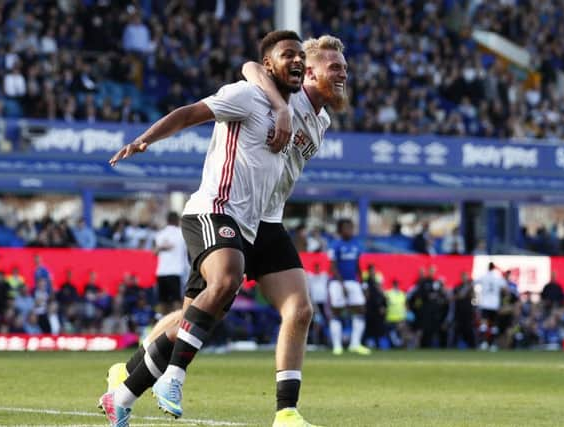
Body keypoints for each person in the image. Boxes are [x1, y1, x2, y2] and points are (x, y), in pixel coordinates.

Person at [105, 33, 348, 427]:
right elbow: (251, 68)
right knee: (212, 296)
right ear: (309, 70)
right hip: (221, 211)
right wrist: (145, 139)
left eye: (344, 68)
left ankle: (286, 413)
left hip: (265, 222)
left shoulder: (321, 120)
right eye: (333, 67)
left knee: (298, 309)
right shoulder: (266, 93)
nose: (342, 74)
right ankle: (158, 376)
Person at [327, 218, 371, 355]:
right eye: (347, 228)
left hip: (353, 282)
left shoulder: (356, 245)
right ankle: (337, 346)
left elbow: (358, 266)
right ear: (340, 230)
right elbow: (333, 266)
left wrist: (363, 283)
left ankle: (355, 344)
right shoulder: (335, 245)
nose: (350, 231)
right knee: (336, 311)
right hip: (337, 282)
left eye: (351, 228)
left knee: (360, 310)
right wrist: (341, 284)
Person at [153, 212, 188, 314]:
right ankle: (177, 324)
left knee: (162, 301)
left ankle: (163, 323)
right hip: (177, 271)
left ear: (167, 221)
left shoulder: (160, 234)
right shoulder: (182, 233)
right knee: (177, 300)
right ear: (177, 220)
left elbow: (154, 252)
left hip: (161, 272)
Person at [476, 262, 507, 351]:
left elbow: (474, 282)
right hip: (494, 304)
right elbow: (505, 289)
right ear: (494, 268)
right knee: (493, 326)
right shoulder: (498, 277)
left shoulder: (484, 276)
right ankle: (492, 344)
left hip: (485, 304)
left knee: (483, 325)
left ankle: (483, 343)